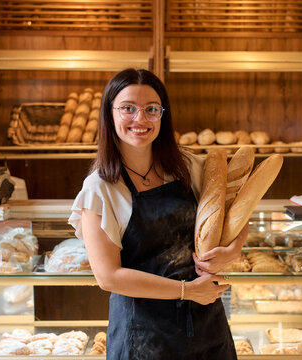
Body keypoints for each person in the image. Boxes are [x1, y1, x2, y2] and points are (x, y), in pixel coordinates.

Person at [69, 68, 248, 359]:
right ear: (109, 113)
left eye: (151, 109)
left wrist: (232, 250)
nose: (140, 119)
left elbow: (237, 214)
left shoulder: (188, 166)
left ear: (162, 115)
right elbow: (109, 276)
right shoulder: (100, 189)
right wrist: (187, 291)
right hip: (142, 337)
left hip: (206, 329)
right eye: (128, 108)